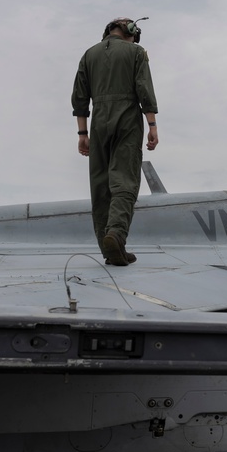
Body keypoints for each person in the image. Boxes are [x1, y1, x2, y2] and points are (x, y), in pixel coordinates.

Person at [72, 17, 159, 266]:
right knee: (125, 179)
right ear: (130, 31)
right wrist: (152, 125)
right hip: (127, 119)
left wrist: (82, 134)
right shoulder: (136, 52)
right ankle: (116, 234)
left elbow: (80, 97)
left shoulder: (89, 55)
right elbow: (144, 89)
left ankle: (109, 249)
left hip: (98, 121)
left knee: (101, 186)